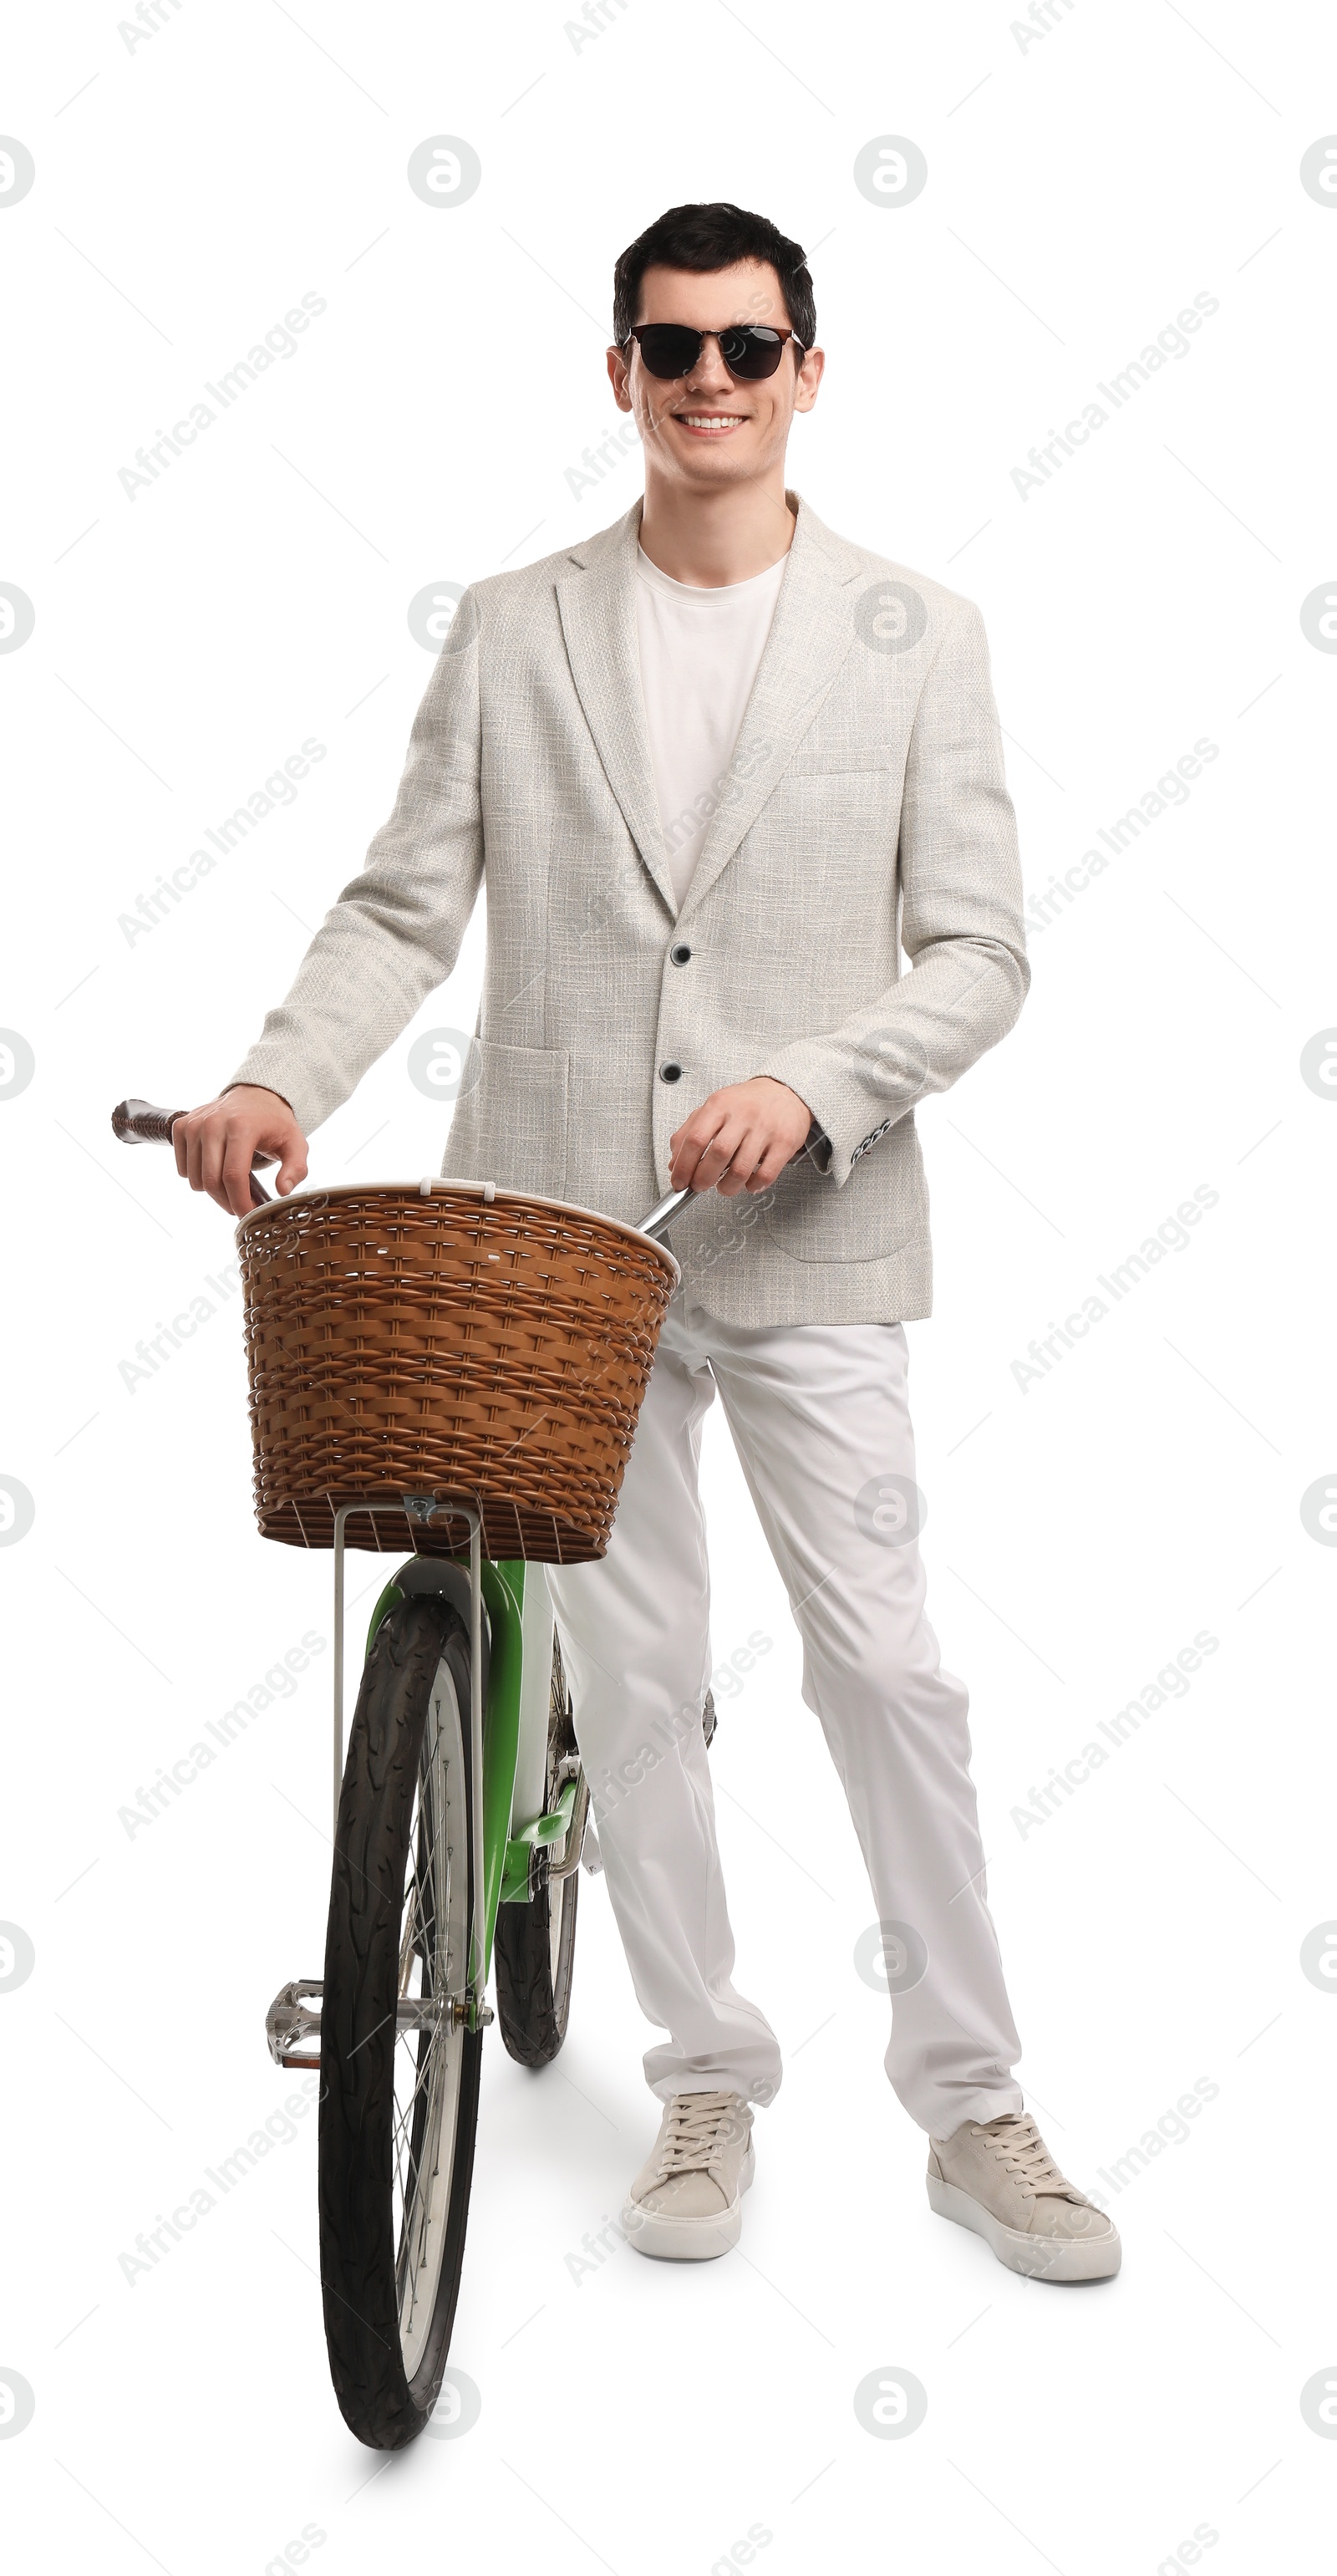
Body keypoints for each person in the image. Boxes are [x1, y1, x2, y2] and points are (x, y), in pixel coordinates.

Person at [172, 201, 1120, 2283]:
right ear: (618, 374)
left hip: (807, 1245)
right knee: (644, 1671)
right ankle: (705, 2066)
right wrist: (275, 1077)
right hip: (551, 1253)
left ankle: (972, 2104)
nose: (710, 381)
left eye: (748, 346)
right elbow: (405, 903)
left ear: (807, 371)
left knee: (885, 1672)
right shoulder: (513, 624)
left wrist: (824, 1077)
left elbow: (978, 953)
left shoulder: (916, 631)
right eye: (670, 347)